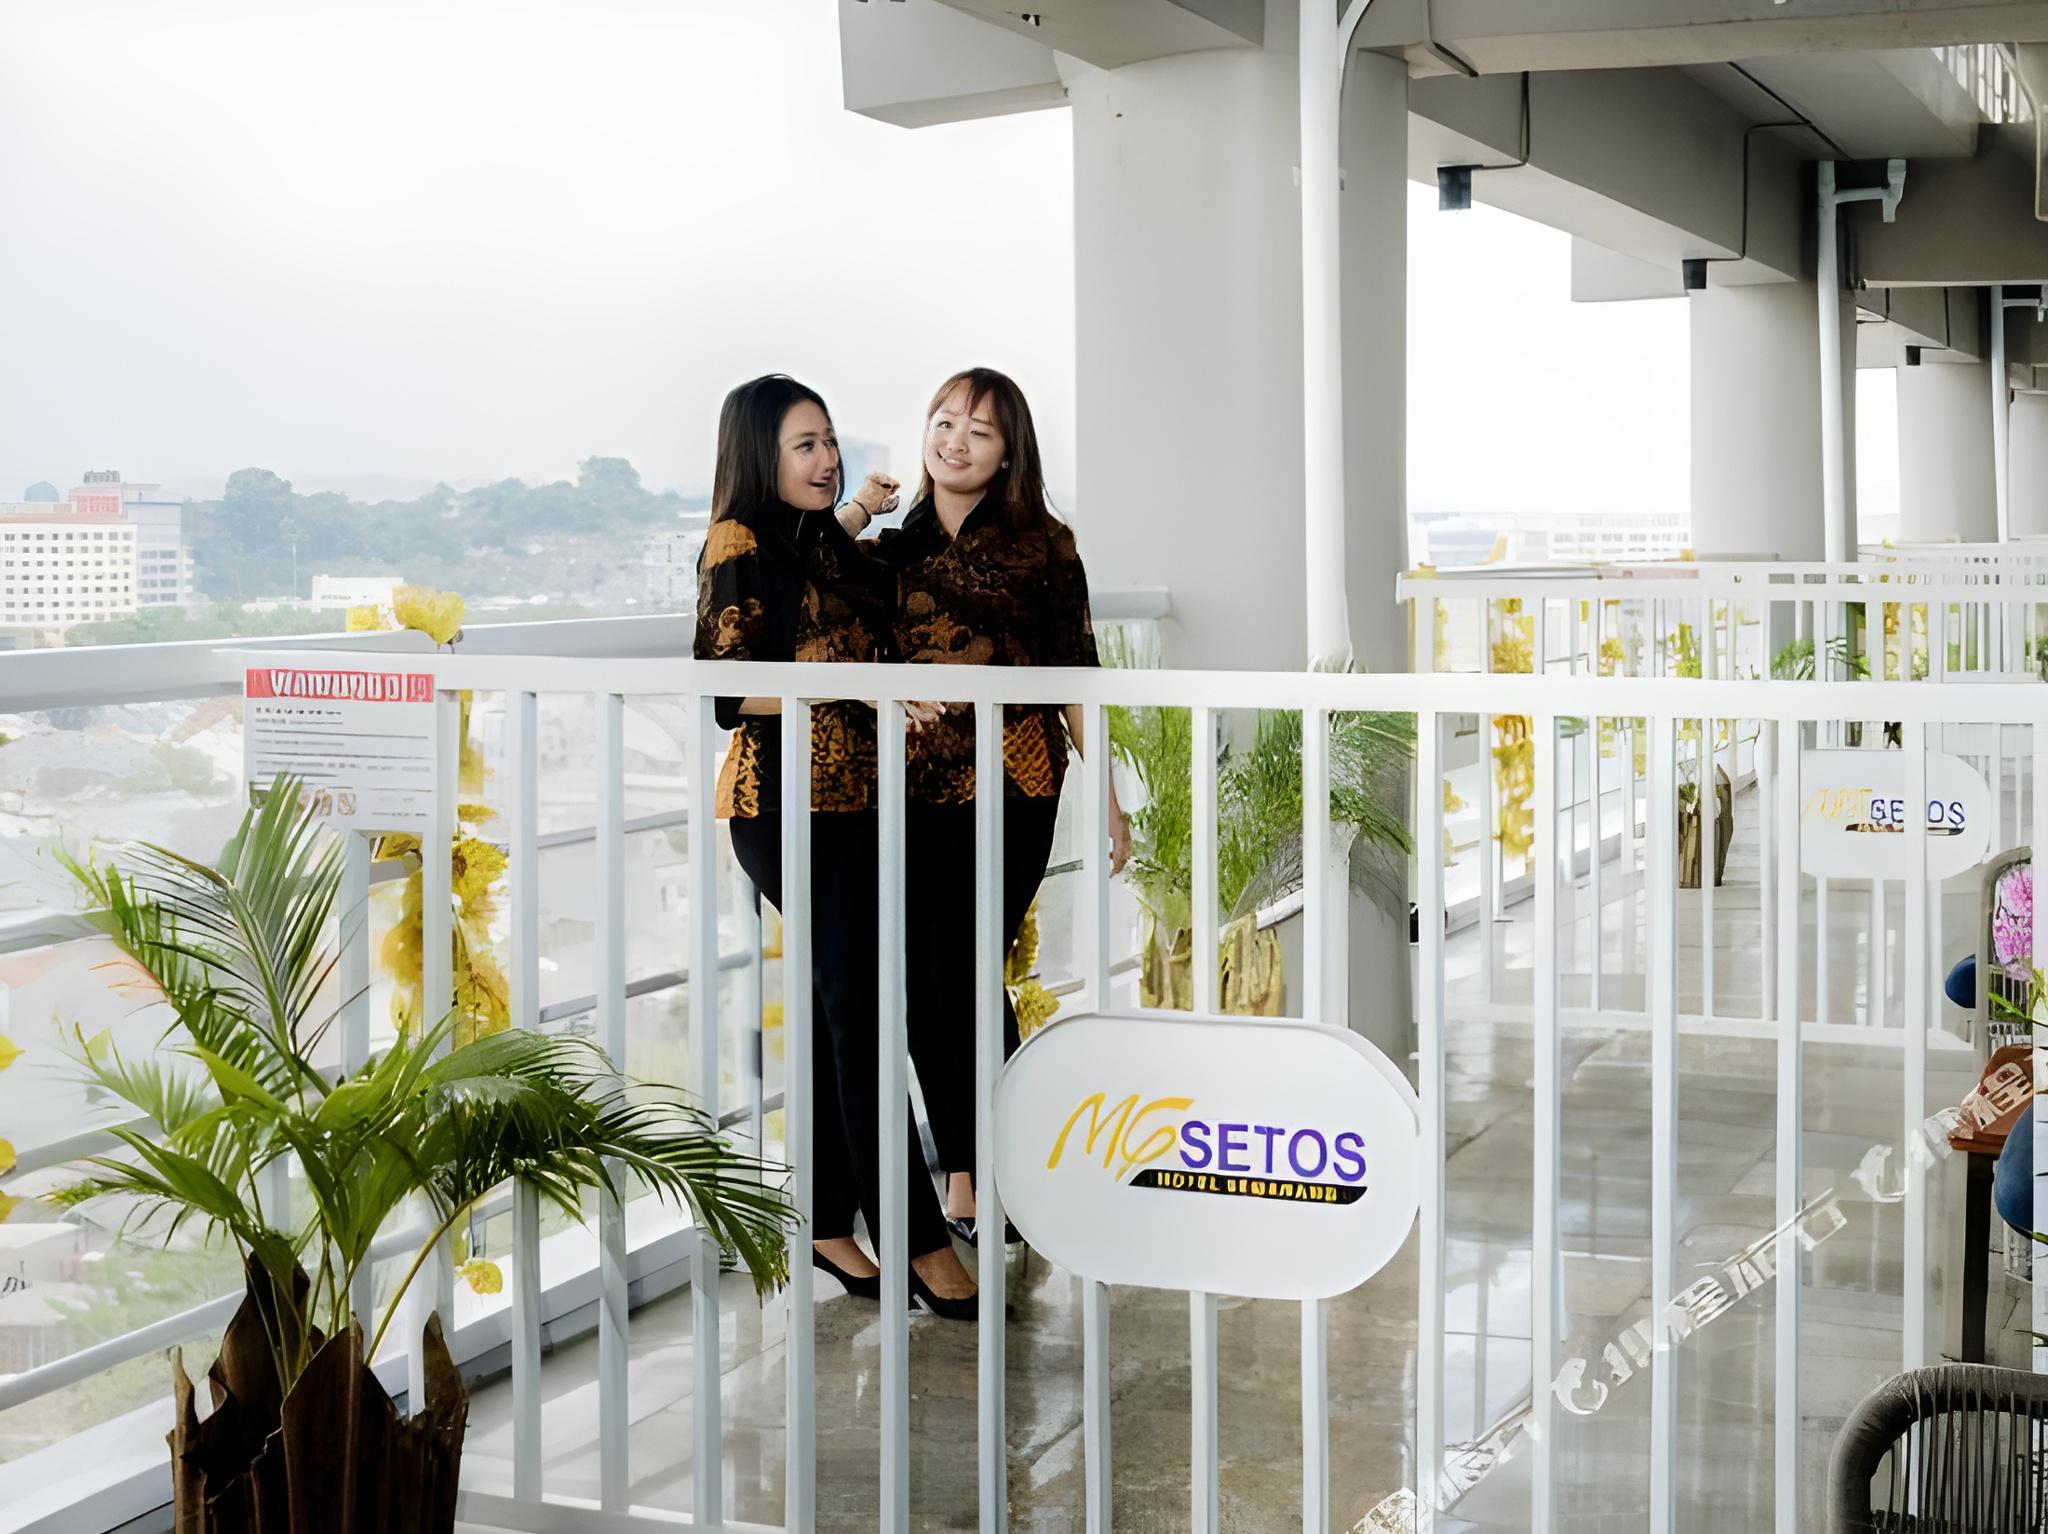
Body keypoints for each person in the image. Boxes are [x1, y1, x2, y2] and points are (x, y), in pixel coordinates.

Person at [695, 374, 976, 1318]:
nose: (826, 460)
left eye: (829, 441)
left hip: (855, 803)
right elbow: (730, 692)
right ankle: (917, 1239)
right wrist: (858, 682)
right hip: (782, 806)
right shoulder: (736, 541)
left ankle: (823, 1223)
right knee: (861, 1010)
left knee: (837, 1007)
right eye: (804, 446)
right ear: (760, 456)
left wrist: (858, 514)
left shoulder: (812, 536)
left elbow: (820, 589)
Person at [843, 367, 1130, 1244]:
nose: (955, 440)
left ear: (1010, 452)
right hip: (910, 791)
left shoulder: (1046, 545)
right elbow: (800, 573)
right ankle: (973, 1173)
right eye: (944, 421)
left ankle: (1005, 1165)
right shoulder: (894, 548)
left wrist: (1111, 799)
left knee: (965, 970)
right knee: (925, 981)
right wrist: (856, 511)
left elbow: (1076, 673)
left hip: (1017, 783)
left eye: (979, 430)